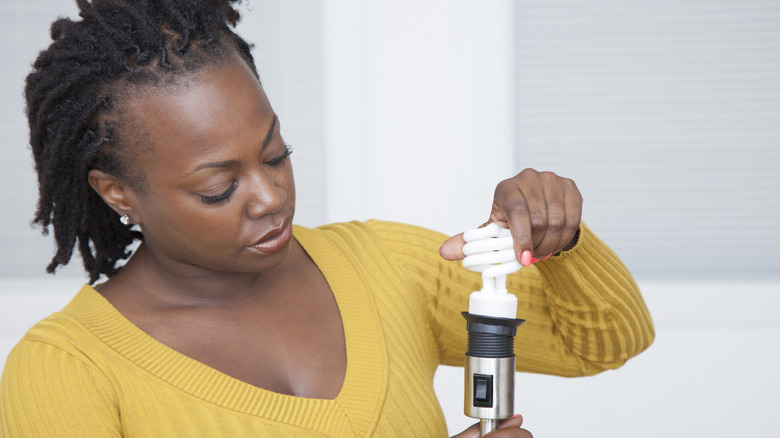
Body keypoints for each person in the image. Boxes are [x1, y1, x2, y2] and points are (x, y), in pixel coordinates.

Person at [0, 1, 654, 437]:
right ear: (117, 193)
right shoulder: (68, 370)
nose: (270, 196)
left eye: (276, 154)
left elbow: (601, 341)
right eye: (220, 187)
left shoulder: (383, 267)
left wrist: (562, 239)